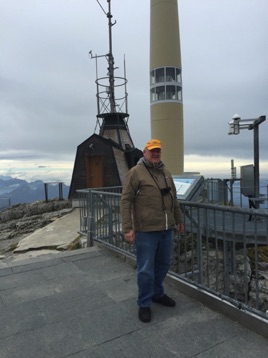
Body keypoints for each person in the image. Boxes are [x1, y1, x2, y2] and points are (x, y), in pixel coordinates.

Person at [120, 139, 184, 323]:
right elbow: (126, 201)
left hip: (166, 228)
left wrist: (178, 220)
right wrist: (128, 228)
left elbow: (174, 199)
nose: (155, 153)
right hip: (146, 230)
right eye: (152, 151)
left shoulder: (165, 171)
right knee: (146, 269)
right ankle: (144, 303)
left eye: (158, 151)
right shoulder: (135, 173)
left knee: (163, 264)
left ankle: (157, 293)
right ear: (144, 152)